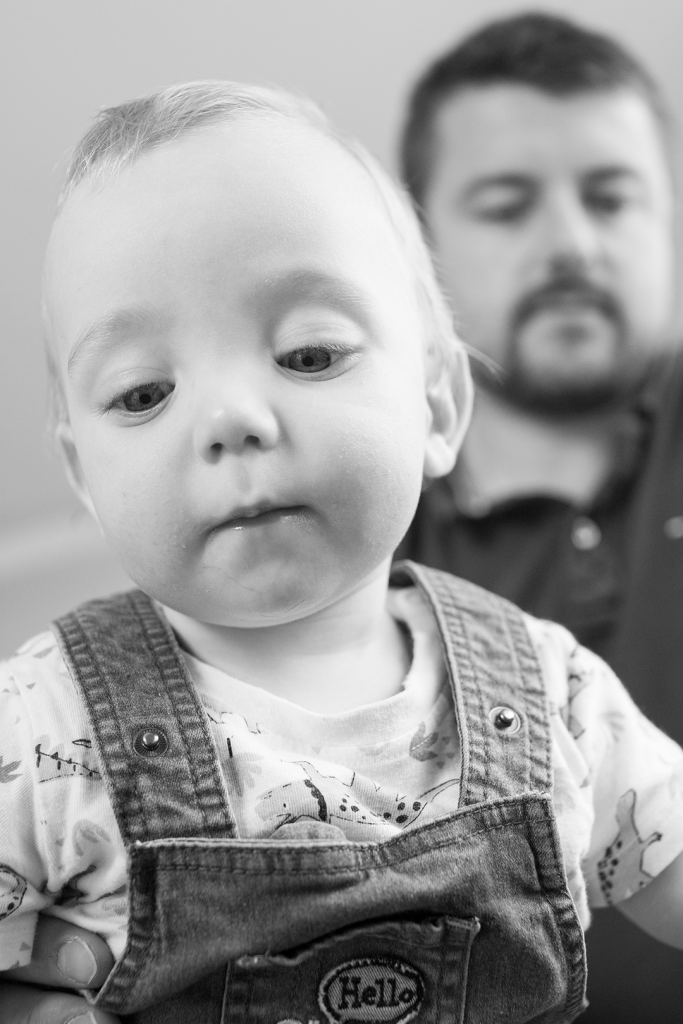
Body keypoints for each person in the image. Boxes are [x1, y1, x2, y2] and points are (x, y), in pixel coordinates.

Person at [2, 80, 683, 1024]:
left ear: (437, 405)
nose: (232, 417)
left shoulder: (550, 693)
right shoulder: (37, 729)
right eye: (142, 393)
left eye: (309, 355)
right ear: (84, 473)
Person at [396, 11, 683, 1021]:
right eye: (506, 206)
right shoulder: (345, 559)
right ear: (420, 255)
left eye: (609, 197)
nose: (569, 244)